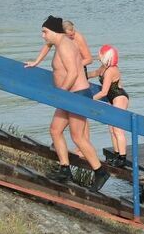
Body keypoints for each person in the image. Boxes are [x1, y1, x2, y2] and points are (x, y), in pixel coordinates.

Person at [39, 16, 109, 191]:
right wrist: (35, 62)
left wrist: (60, 94)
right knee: (55, 130)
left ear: (54, 31)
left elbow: (72, 73)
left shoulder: (65, 46)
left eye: (45, 31)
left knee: (78, 137)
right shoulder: (60, 43)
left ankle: (100, 172)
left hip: (76, 95)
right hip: (69, 95)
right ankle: (65, 169)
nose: (43, 35)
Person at [91, 44, 130, 168]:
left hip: (119, 97)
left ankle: (122, 158)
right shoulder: (104, 67)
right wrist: (82, 75)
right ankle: (116, 154)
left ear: (106, 56)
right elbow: (95, 73)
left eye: (100, 54)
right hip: (111, 99)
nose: (99, 55)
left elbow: (103, 92)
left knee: (118, 129)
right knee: (111, 129)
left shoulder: (111, 70)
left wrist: (89, 100)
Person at [24, 18, 93, 78]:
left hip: (78, 70)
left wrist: (71, 67)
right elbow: (47, 46)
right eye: (70, 35)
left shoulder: (78, 38)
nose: (72, 37)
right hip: (64, 72)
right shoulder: (59, 37)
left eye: (73, 34)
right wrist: (36, 62)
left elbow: (89, 59)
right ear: (62, 33)